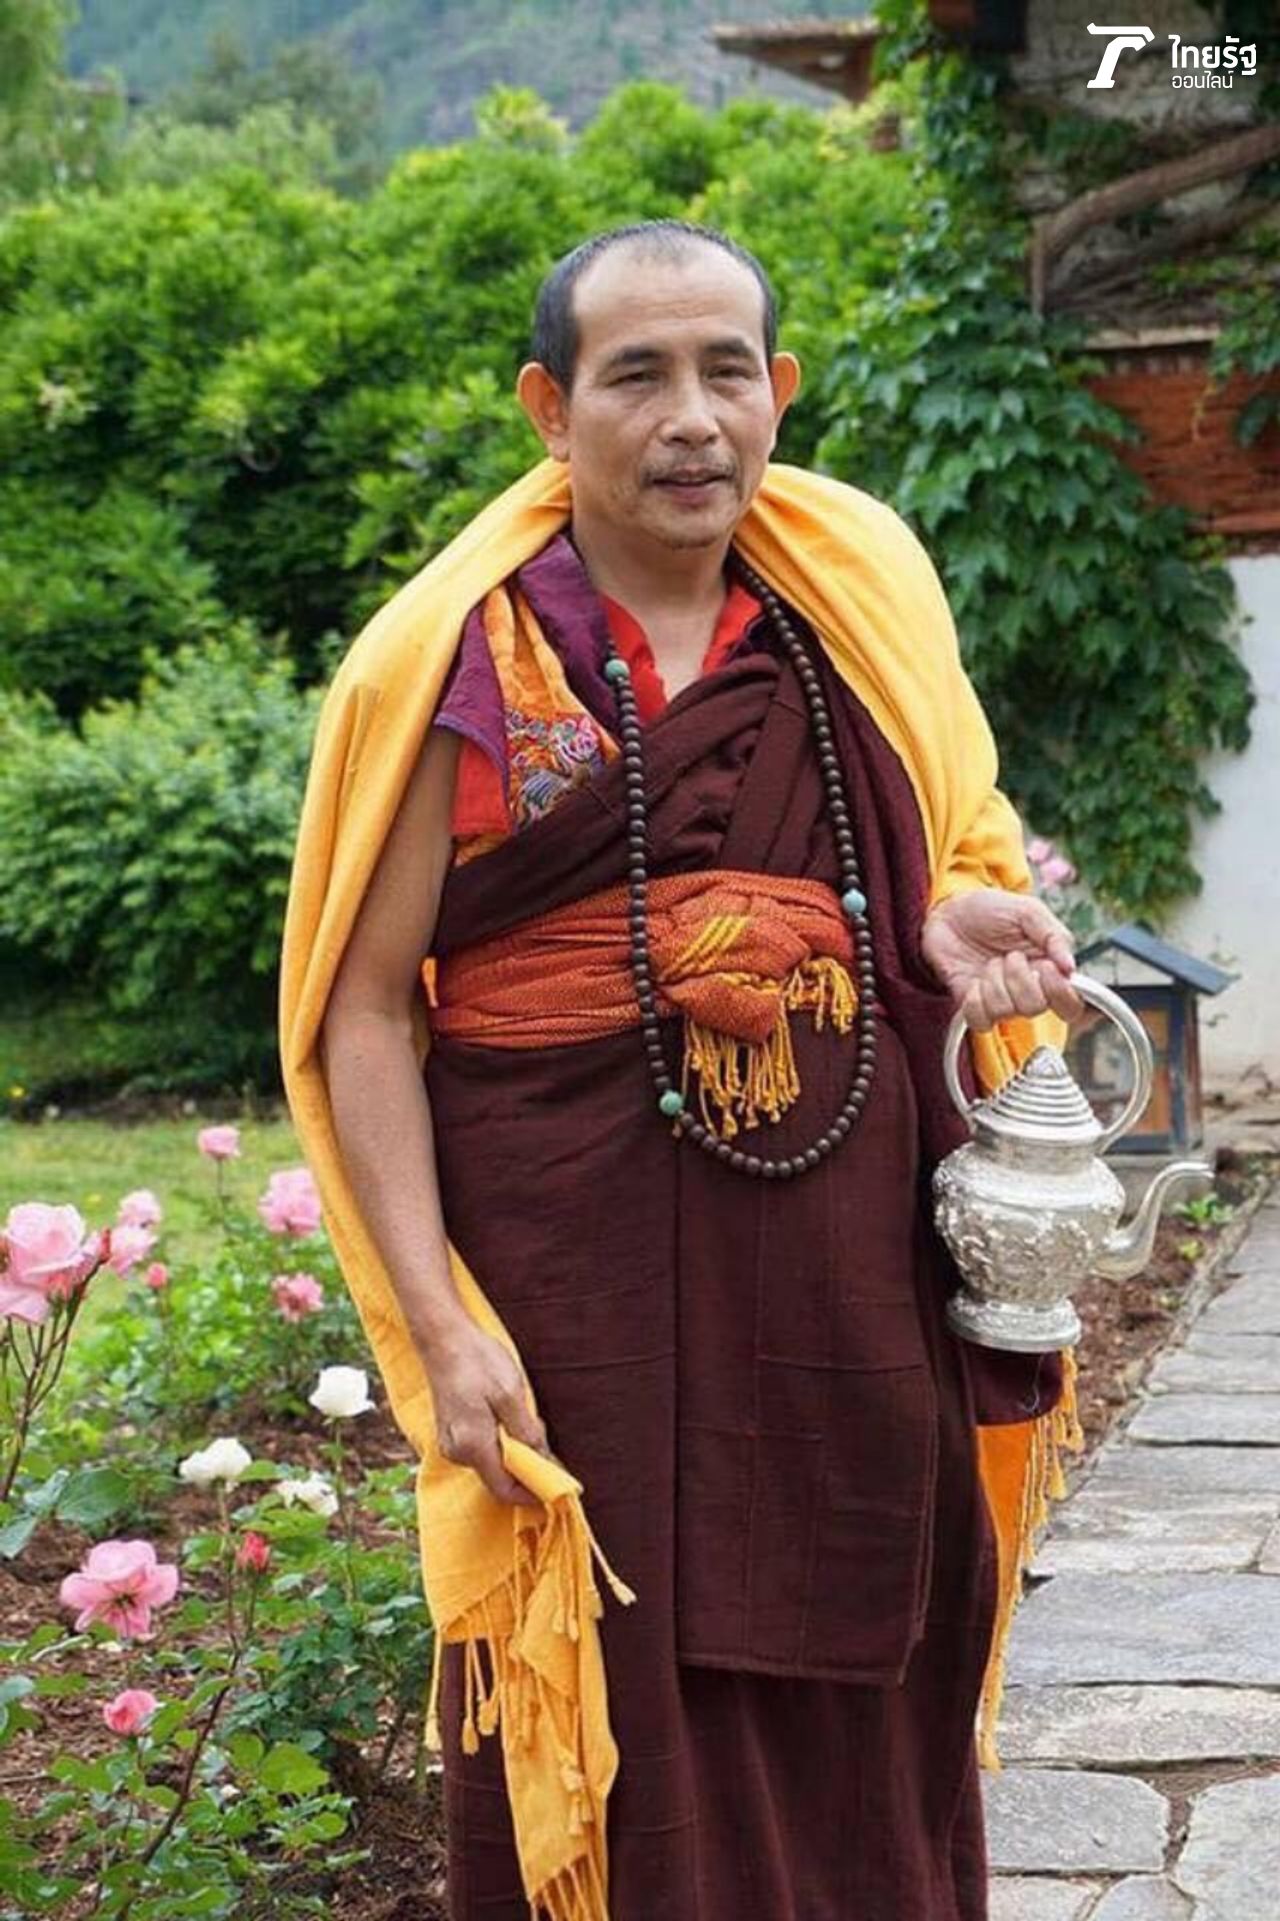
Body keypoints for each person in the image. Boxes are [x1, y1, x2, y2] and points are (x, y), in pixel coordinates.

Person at [279, 219, 1086, 1921]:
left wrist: (939, 924)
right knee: (608, 1671)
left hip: (847, 1270)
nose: (692, 417)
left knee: (870, 1660)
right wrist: (440, 1328)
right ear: (548, 406)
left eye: (729, 370)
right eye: (637, 375)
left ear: (778, 390)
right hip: (572, 1273)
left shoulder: (850, 619)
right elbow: (365, 1010)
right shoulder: (469, 660)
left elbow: (916, 860)